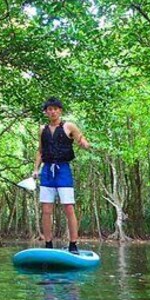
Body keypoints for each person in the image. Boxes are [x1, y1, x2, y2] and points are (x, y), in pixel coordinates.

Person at [33, 97, 91, 253]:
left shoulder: (68, 126)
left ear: (60, 111)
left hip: (63, 170)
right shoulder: (42, 129)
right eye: (49, 109)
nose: (52, 112)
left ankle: (73, 244)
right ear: (46, 112)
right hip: (47, 171)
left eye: (55, 109)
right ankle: (48, 243)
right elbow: (40, 150)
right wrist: (36, 169)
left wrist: (84, 143)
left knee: (69, 208)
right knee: (46, 209)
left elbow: (80, 138)